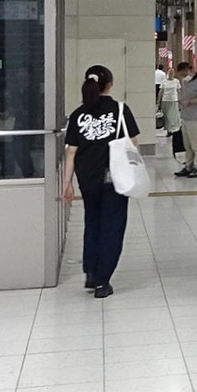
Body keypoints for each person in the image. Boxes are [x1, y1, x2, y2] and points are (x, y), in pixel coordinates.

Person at [62, 65, 139, 298]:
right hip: (114, 177)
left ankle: (91, 273)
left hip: (87, 178)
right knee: (112, 227)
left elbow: (71, 152)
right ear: (110, 84)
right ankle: (103, 281)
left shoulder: (78, 115)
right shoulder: (120, 110)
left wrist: (67, 183)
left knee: (92, 223)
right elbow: (133, 144)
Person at [176, 61, 197, 178]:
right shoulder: (185, 82)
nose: (183, 77)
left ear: (189, 70)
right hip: (185, 116)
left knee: (196, 145)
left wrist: (189, 102)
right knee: (187, 145)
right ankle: (188, 165)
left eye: (184, 74)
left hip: (195, 117)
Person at [158, 67, 183, 145]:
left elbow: (179, 91)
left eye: (172, 73)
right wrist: (158, 101)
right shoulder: (164, 82)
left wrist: (180, 100)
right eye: (170, 73)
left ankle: (174, 129)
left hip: (174, 100)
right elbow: (161, 92)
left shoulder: (176, 81)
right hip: (165, 100)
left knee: (173, 116)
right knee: (167, 116)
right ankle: (169, 130)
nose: (171, 74)